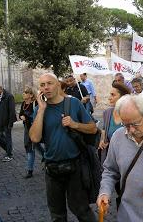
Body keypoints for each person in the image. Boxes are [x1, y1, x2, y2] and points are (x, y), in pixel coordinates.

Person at [29, 73, 97, 222]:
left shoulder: (73, 103)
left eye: (50, 83)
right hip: (52, 169)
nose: (46, 87)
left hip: (75, 167)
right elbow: (34, 138)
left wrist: (75, 124)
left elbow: (93, 128)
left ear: (58, 85)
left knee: (82, 211)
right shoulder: (40, 110)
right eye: (42, 85)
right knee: (57, 215)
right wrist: (41, 110)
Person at [98, 83, 131, 164]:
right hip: (110, 157)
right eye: (110, 95)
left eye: (113, 95)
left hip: (127, 158)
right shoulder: (107, 113)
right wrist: (102, 140)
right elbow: (104, 130)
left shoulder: (131, 114)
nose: (109, 98)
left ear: (122, 97)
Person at [19, 86, 44, 178]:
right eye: (24, 92)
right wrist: (21, 117)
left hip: (35, 128)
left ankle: (29, 170)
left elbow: (38, 115)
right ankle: (45, 155)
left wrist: (28, 117)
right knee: (34, 146)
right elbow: (21, 113)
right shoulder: (23, 103)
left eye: (25, 93)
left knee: (31, 149)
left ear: (30, 95)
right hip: (26, 129)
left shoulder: (36, 103)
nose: (23, 94)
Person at [0, 82, 16, 162]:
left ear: (0, 89)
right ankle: (9, 149)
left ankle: (9, 154)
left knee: (8, 138)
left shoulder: (9, 96)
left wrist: (10, 123)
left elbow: (12, 111)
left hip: (6, 121)